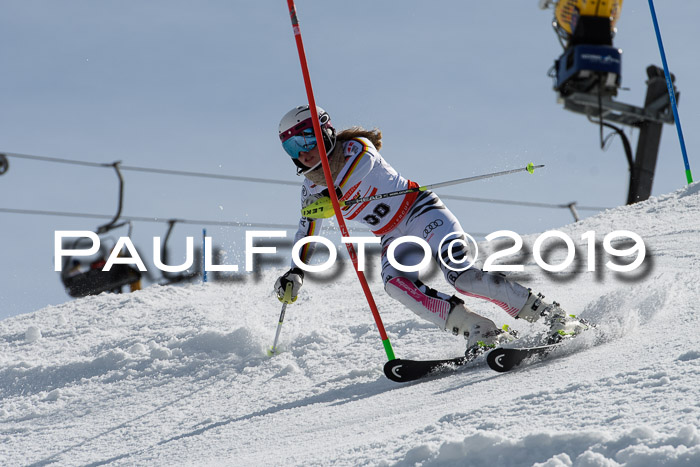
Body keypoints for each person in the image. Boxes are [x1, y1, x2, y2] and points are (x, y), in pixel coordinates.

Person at [274, 105, 587, 357]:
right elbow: (307, 231)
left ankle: (550, 314)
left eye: (306, 139)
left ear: (325, 132)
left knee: (461, 275)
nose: (303, 152)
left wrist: (333, 196)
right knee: (395, 284)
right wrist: (296, 271)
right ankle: (479, 329)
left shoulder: (355, 148)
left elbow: (362, 171)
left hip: (421, 211)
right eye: (292, 146)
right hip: (393, 236)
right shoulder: (310, 189)